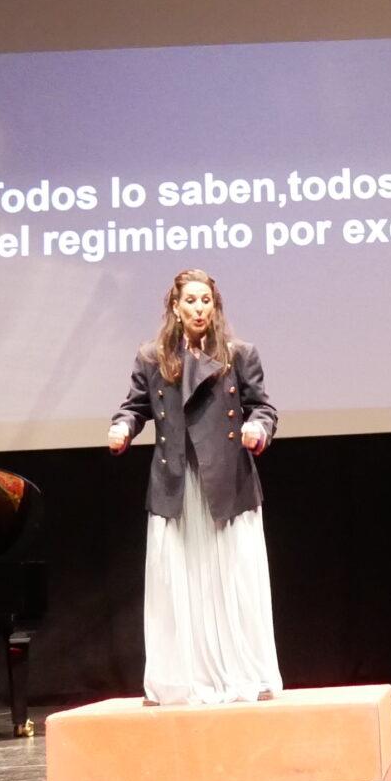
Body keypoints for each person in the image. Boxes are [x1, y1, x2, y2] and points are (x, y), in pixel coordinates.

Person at [108, 268, 281, 705]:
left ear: (215, 306)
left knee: (234, 580)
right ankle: (176, 679)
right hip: (176, 481)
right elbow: (134, 407)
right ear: (175, 306)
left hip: (226, 481)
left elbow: (263, 408)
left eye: (206, 300)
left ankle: (247, 673)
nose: (199, 308)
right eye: (191, 300)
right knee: (176, 582)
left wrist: (257, 429)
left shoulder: (238, 354)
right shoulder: (152, 357)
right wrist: (123, 427)